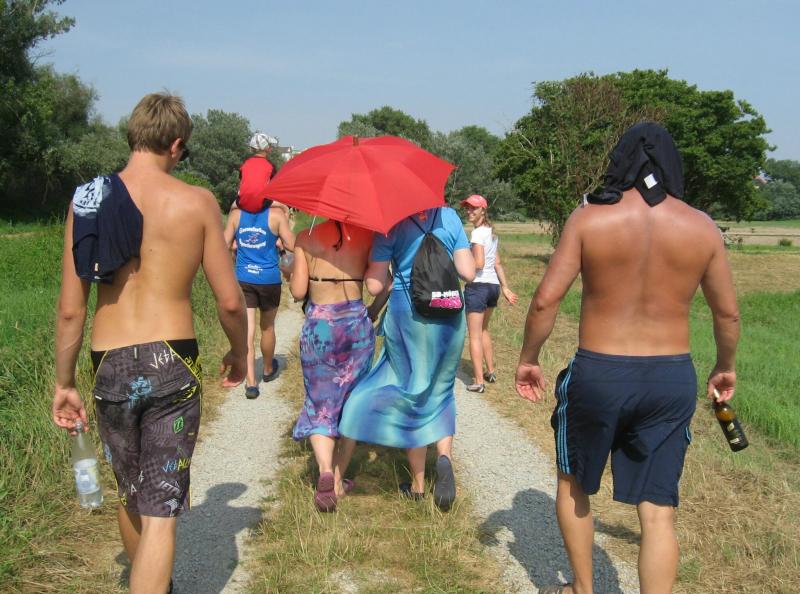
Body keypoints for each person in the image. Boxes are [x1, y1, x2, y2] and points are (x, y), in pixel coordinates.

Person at [514, 123, 740, 594]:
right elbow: (728, 313)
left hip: (600, 372)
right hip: (670, 378)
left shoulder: (589, 218)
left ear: (619, 161)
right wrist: (724, 366)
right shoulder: (701, 227)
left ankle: (582, 588)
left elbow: (544, 300)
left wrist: (529, 357)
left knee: (574, 482)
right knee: (658, 511)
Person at [52, 92, 248, 594]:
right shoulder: (197, 201)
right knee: (161, 508)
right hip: (172, 360)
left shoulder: (87, 200)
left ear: (133, 134)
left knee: (130, 491)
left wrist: (64, 382)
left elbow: (71, 308)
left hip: (109, 361)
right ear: (176, 144)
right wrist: (240, 352)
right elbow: (229, 301)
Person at [338, 207, 476, 510]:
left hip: (408, 312)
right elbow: (468, 272)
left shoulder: (390, 224)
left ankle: (418, 485)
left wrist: (380, 267)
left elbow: (375, 285)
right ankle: (443, 456)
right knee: (441, 388)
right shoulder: (450, 216)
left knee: (415, 388)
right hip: (450, 311)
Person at [289, 219, 384, 512]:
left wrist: (290, 271)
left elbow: (297, 292)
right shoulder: (370, 236)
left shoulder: (306, 236)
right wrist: (373, 311)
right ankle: (340, 479)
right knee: (353, 402)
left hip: (319, 327)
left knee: (320, 404)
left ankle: (325, 470)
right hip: (356, 326)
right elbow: (381, 285)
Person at [224, 199, 295, 398]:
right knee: (267, 327)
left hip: (244, 278)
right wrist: (285, 216)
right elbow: (291, 244)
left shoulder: (236, 215)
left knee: (247, 330)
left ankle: (251, 383)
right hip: (269, 280)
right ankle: (268, 368)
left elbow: (224, 244)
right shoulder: (276, 215)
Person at [460, 194, 518, 393]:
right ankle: (490, 371)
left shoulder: (477, 234)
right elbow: (497, 263)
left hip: (478, 287)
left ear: (483, 210)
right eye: (467, 208)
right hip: (492, 287)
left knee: (474, 335)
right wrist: (505, 287)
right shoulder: (491, 233)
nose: (469, 211)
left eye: (473, 208)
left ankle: (478, 381)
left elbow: (479, 263)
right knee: (484, 330)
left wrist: (459, 264)